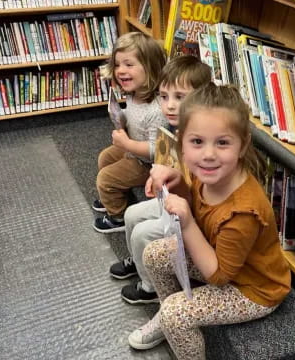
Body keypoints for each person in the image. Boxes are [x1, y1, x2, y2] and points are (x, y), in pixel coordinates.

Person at [127, 83, 291, 359]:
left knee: (176, 314)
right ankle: (166, 320)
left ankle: (172, 323)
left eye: (223, 142)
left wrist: (188, 223)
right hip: (219, 260)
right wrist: (178, 184)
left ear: (243, 144)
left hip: (253, 289)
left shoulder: (243, 212)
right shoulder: (205, 172)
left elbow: (218, 277)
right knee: (153, 253)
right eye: (197, 142)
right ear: (182, 143)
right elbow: (196, 207)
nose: (208, 154)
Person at [109, 55, 213, 305]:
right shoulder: (176, 128)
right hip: (176, 200)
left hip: (194, 215)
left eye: (180, 97)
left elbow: (198, 194)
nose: (169, 106)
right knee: (132, 215)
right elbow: (168, 163)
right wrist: (158, 176)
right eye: (164, 97)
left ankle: (150, 287)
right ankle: (139, 259)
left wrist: (172, 181)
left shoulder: (204, 140)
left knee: (142, 233)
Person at [92, 32, 167, 233]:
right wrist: (121, 115)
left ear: (150, 68)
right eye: (117, 65)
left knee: (105, 179)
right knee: (105, 158)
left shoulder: (157, 110)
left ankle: (117, 217)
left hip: (147, 164)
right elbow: (134, 115)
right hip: (133, 147)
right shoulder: (136, 94)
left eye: (128, 64)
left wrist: (126, 144)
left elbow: (155, 151)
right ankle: (114, 194)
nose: (120, 71)